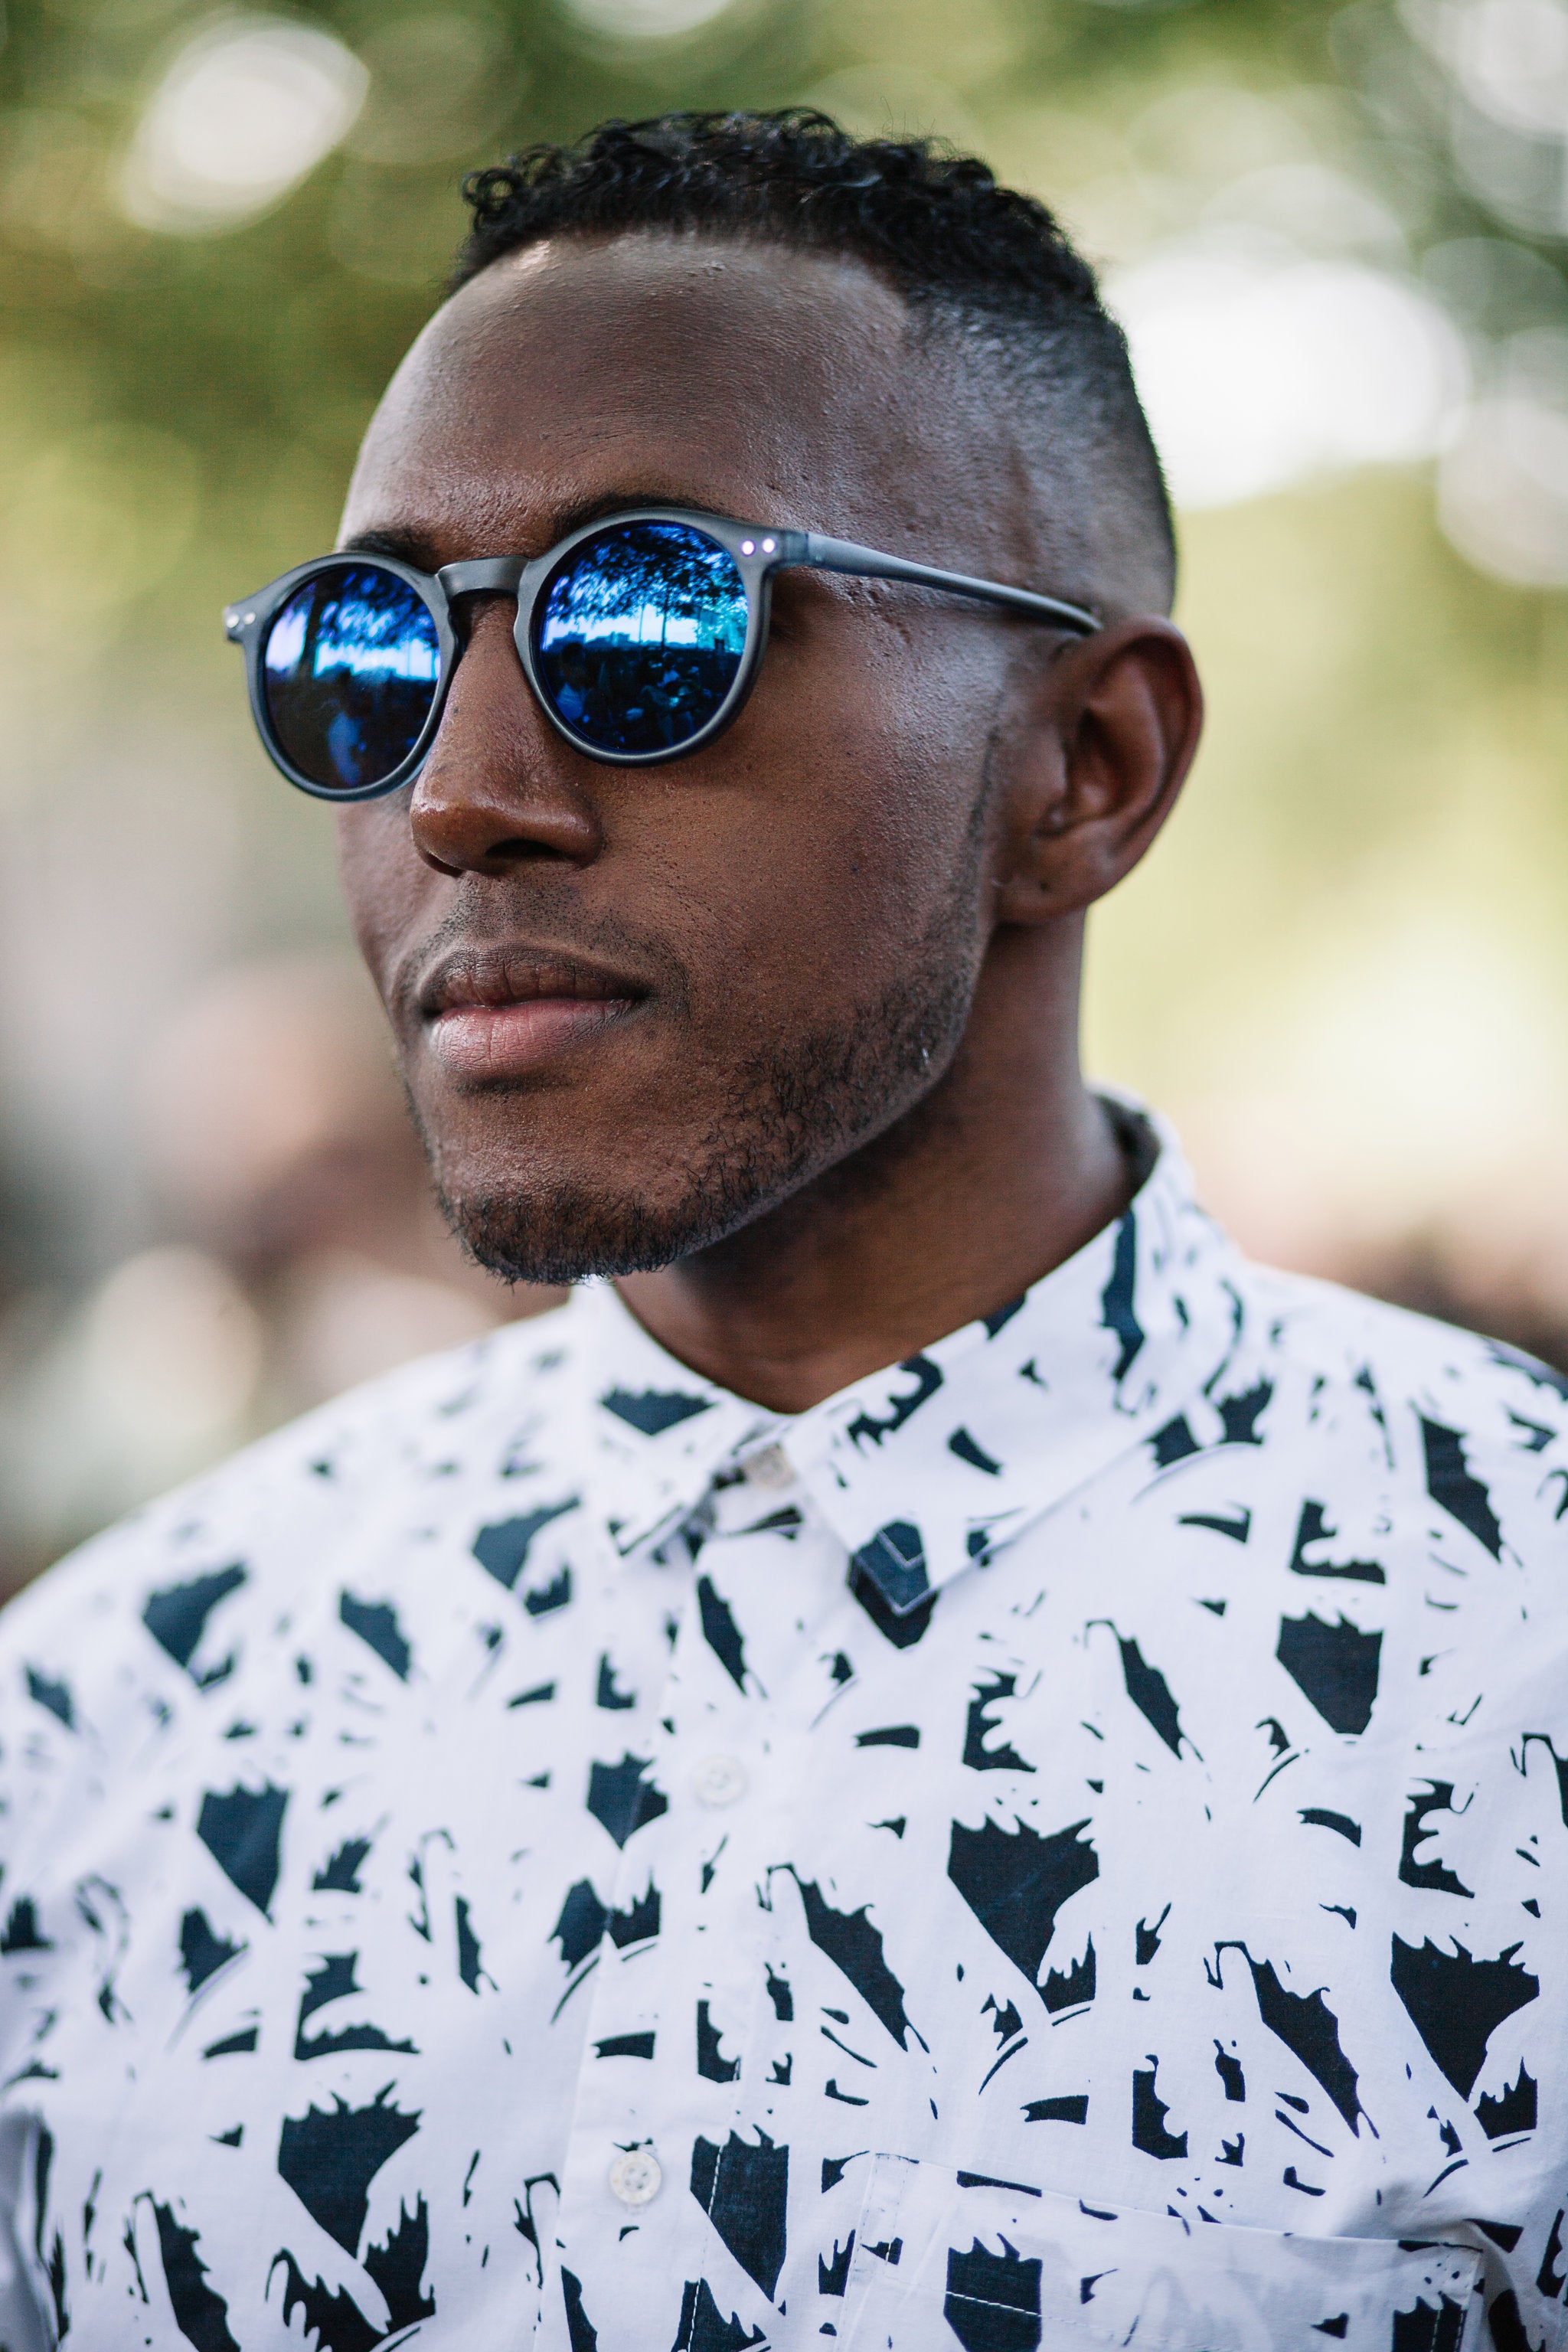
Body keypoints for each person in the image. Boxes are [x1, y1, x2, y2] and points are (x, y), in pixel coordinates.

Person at [0, 110, 1561, 2352]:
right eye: (367, 652)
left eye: (649, 619)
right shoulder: (114, 1707)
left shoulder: (1515, 1659)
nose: (457, 793)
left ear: (1089, 767)